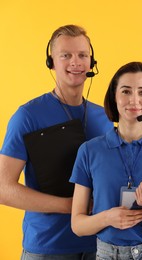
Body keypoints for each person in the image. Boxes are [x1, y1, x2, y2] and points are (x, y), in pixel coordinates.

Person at [0, 25, 112, 259]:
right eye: (66, 55)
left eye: (83, 55)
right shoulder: (28, 116)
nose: (76, 62)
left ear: (92, 62)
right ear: (51, 62)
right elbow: (3, 189)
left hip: (99, 246)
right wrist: (69, 205)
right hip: (47, 247)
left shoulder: (105, 118)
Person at [70, 61, 142, 259]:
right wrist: (108, 217)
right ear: (114, 97)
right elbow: (78, 225)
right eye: (126, 91)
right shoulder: (89, 151)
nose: (134, 100)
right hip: (108, 253)